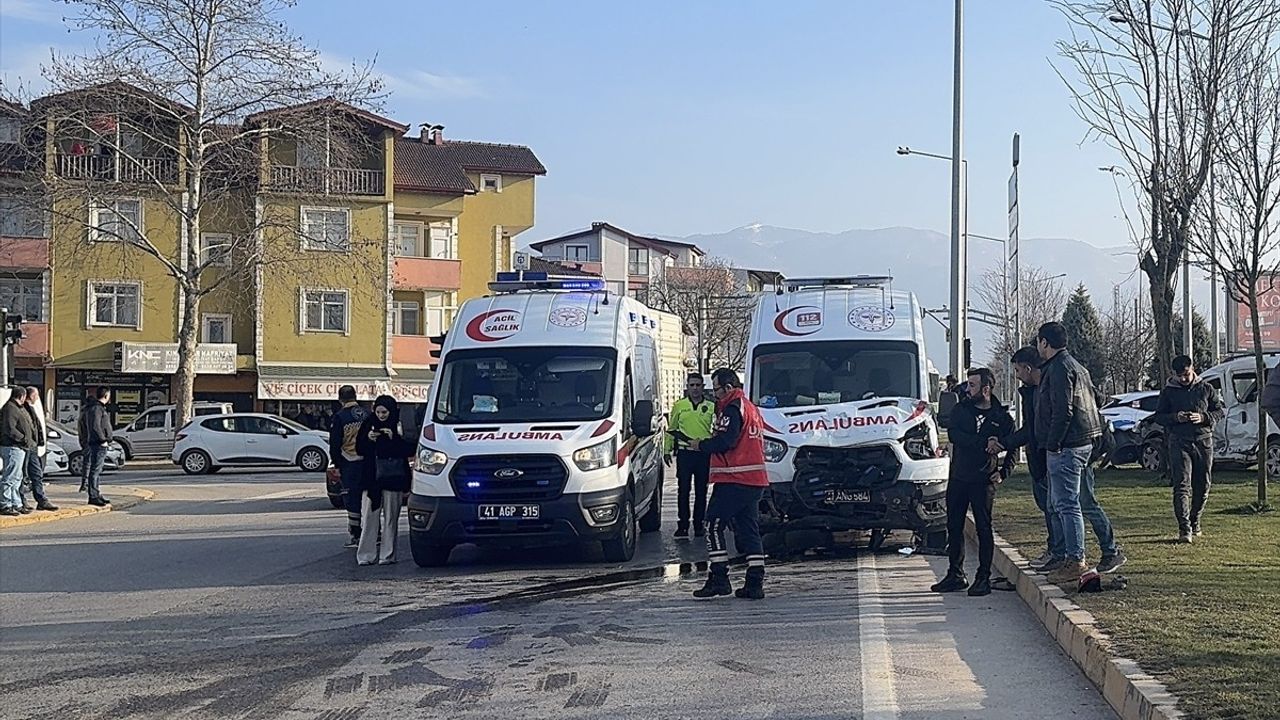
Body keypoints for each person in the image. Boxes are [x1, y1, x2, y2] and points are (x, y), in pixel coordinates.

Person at [932, 368, 1015, 597]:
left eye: (973, 385)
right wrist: (983, 443)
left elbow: (1012, 446)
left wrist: (1003, 472)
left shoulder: (1001, 417)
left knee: (984, 528)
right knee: (954, 526)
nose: (968, 389)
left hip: (983, 481)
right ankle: (955, 574)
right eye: (968, 384)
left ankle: (983, 577)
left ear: (986, 389)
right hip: (959, 477)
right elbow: (954, 435)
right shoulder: (961, 410)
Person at [687, 368, 769, 600]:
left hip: (734, 478)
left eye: (717, 389)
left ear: (729, 388)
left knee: (712, 525)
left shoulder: (732, 409)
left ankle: (719, 578)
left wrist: (701, 445)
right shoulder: (751, 408)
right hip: (754, 479)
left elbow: (727, 440)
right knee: (748, 529)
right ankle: (755, 582)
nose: (715, 394)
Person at [1035, 321, 1102, 585]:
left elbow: (1063, 410)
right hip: (1082, 441)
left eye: (1039, 342)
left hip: (1068, 445)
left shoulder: (1060, 369)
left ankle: (1075, 560)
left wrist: (1053, 442)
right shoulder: (1077, 366)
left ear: (1044, 342)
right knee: (1065, 502)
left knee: (1067, 504)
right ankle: (1070, 557)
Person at [992, 346, 1061, 572]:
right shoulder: (1030, 393)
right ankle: (1055, 549)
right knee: (1047, 506)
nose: (1017, 376)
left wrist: (1005, 443)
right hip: (1037, 457)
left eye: (1018, 370)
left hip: (1048, 455)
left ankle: (1059, 552)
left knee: (1056, 507)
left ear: (1028, 368)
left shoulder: (1044, 391)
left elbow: (1032, 429)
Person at [1151, 355, 1224, 543]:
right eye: (1179, 376)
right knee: (1182, 485)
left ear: (1193, 369)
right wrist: (1176, 417)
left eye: (1186, 374)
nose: (1183, 379)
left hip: (1203, 441)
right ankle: (1184, 528)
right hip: (1179, 442)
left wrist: (1204, 418)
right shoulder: (1168, 392)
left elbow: (1220, 410)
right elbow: (1159, 416)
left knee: (1203, 484)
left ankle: (1195, 519)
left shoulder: (1206, 389)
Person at [354, 395, 413, 566]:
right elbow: (359, 448)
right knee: (369, 519)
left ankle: (387, 555)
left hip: (393, 479)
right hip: (371, 479)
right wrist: (369, 439)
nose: (381, 415)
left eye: (384, 412)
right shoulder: (367, 424)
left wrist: (394, 437)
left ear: (391, 411)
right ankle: (365, 555)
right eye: (378, 412)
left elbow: (409, 448)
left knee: (390, 519)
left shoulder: (400, 425)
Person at [663, 373, 715, 539]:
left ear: (703, 387)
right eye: (692, 385)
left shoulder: (711, 406)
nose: (695, 388)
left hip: (703, 453)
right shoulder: (679, 406)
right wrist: (667, 450)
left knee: (701, 490)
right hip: (685, 454)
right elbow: (671, 429)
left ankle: (699, 524)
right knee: (683, 490)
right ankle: (683, 525)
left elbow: (716, 428)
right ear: (687, 387)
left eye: (698, 385)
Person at [329, 386, 370, 548]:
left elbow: (335, 443)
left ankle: (356, 534)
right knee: (370, 497)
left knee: (352, 499)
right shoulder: (367, 414)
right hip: (368, 462)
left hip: (350, 462)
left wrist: (337, 463)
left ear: (340, 400)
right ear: (355, 396)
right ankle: (376, 531)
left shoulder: (340, 417)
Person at [0, 388, 37, 516]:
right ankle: (4, 504)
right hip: (12, 446)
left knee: (17, 477)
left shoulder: (16, 408)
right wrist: (24, 439)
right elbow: (9, 429)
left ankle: (16, 503)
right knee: (10, 477)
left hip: (20, 447)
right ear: (22, 396)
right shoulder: (10, 408)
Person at [22, 387, 57, 512]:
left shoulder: (31, 408)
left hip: (33, 447)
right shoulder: (22, 408)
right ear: (30, 396)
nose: (37, 398)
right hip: (25, 446)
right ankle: (22, 500)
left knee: (37, 474)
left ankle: (41, 500)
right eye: (36, 395)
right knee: (23, 476)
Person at [78, 386, 113, 507]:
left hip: (98, 443)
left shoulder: (97, 408)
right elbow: (95, 426)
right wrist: (103, 439)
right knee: (95, 470)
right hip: (98, 443)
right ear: (106, 395)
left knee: (97, 470)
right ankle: (93, 495)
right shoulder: (96, 409)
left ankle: (96, 494)